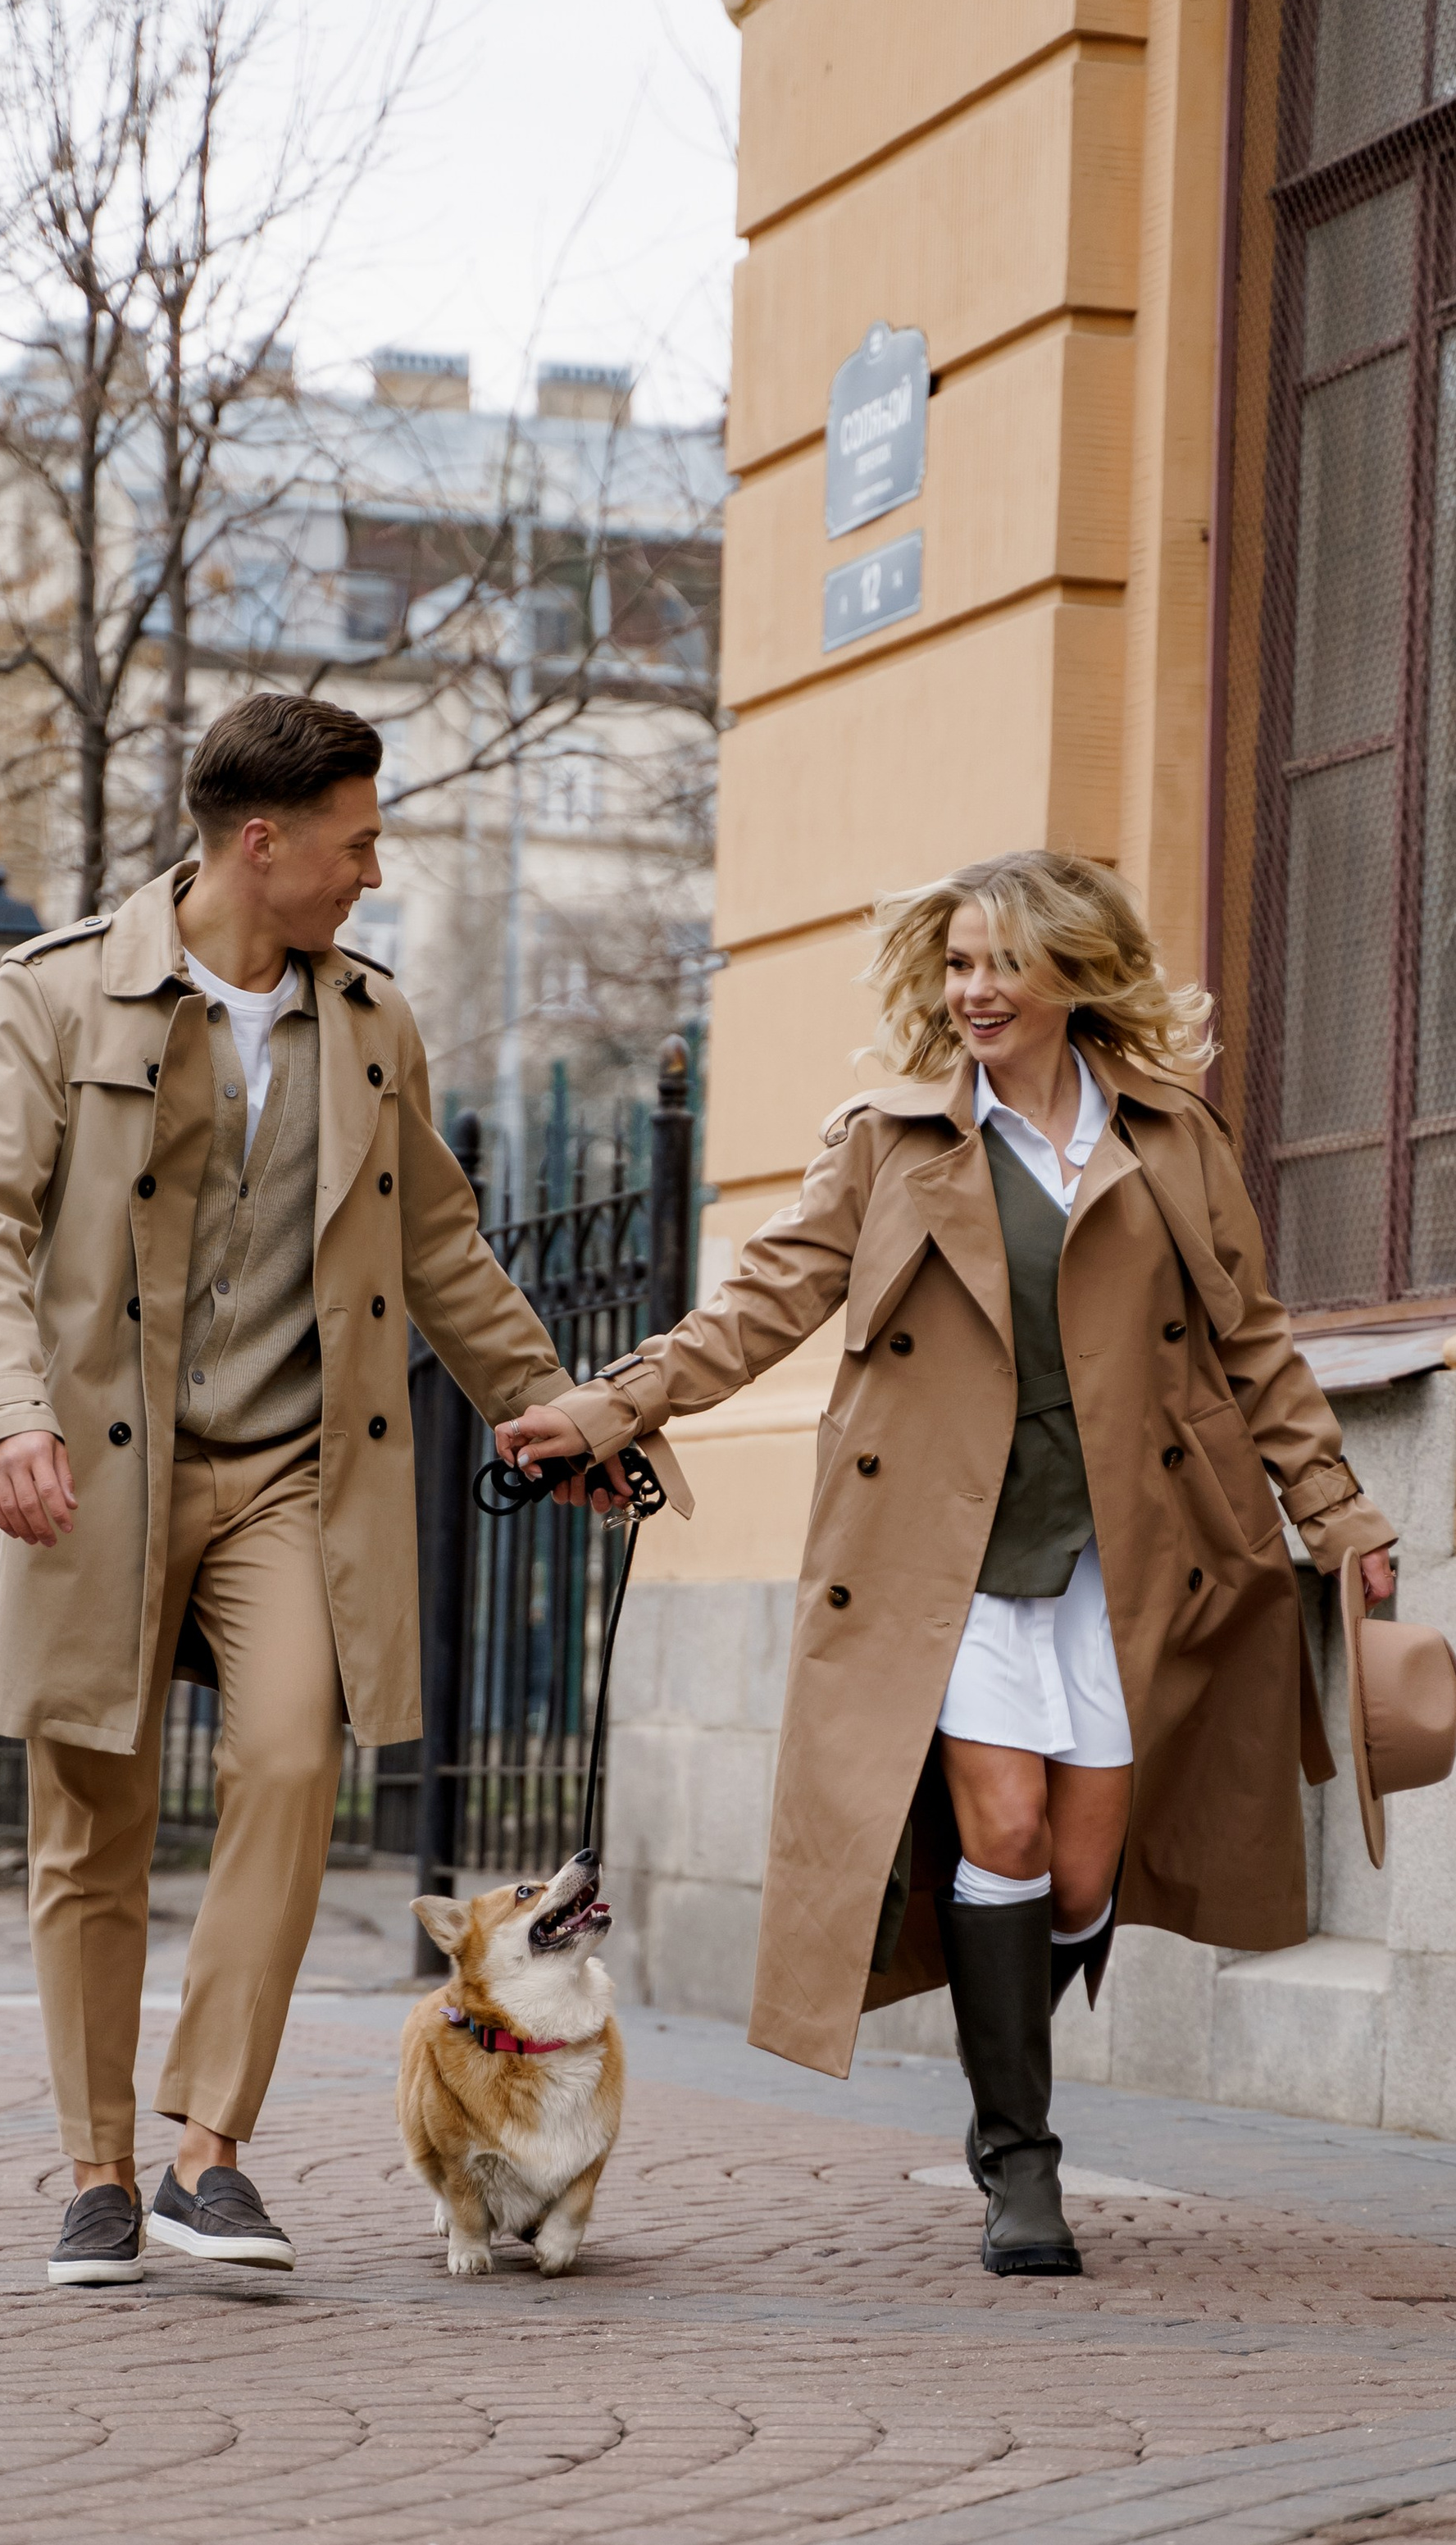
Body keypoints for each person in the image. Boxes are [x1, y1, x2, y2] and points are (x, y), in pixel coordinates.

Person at [499, 849, 1396, 2279]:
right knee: (1009, 1837)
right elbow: (759, 1302)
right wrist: (612, 1407)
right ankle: (1020, 2158)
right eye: (958, 966)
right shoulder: (891, 1140)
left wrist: (1339, 1512)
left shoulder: (1171, 1139)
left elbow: (1256, 1342)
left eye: (999, 965)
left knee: (1087, 1870)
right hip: (941, 1555)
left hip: (1126, 1546)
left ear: (1072, 976)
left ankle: (1008, 2071)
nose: (972, 992)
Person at [0, 694, 576, 2285]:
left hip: (290, 1473)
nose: (374, 868)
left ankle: (206, 2156)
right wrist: (6, 1413)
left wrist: (556, 1408)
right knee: (93, 1821)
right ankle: (97, 2170)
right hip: (94, 1472)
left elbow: (437, 1243)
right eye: (355, 841)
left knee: (293, 1763)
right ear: (260, 842)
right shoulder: (58, 994)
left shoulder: (369, 1021)